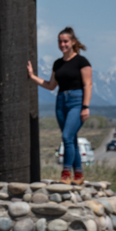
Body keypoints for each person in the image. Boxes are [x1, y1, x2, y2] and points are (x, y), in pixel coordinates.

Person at [27, 26, 92, 185]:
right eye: (60, 42)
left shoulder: (81, 61)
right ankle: (78, 175)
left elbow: (88, 85)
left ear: (73, 42)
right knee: (71, 139)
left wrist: (85, 107)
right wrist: (32, 76)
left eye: (65, 41)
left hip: (77, 101)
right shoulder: (57, 63)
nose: (62, 44)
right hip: (61, 101)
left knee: (66, 137)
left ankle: (65, 174)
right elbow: (50, 85)